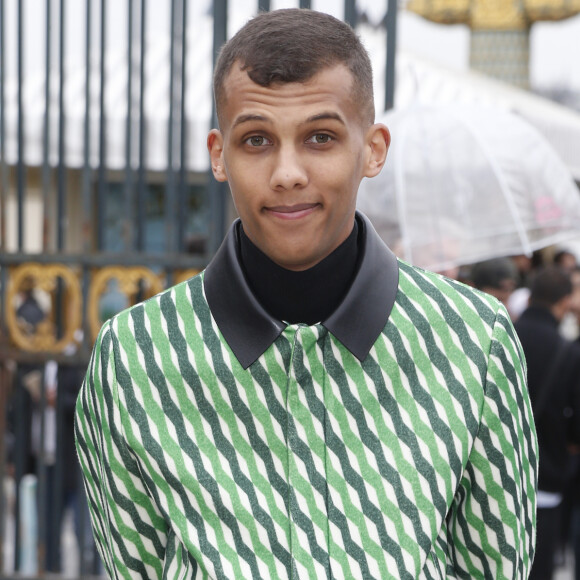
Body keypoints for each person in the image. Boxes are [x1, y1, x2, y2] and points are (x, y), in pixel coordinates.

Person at [75, 9, 537, 579]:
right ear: (219, 154)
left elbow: (496, 567)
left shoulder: (473, 342)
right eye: (257, 140)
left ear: (372, 148)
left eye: (320, 137)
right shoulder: (137, 356)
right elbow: (133, 566)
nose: (288, 172)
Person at [514, 266, 580, 580]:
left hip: (495, 475)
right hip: (545, 482)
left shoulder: (501, 334)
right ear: (565, 300)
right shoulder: (567, 352)